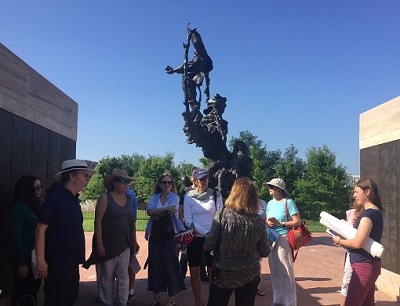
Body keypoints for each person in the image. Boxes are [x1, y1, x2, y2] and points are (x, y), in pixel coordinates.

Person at [35, 159, 94, 306]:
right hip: (57, 263)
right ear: (72, 176)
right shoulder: (55, 199)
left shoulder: (74, 200)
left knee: (70, 298)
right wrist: (41, 261)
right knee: (56, 300)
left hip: (72, 262)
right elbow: (40, 230)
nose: (88, 179)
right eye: (85, 175)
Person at [204, 177, 270, 306]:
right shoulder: (258, 221)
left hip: (224, 273)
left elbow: (210, 243)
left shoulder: (222, 214)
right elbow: (264, 251)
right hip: (250, 273)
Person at [84, 169, 138, 306]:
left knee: (123, 277)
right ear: (114, 182)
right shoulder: (105, 198)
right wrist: (99, 244)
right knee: (106, 277)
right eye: (122, 181)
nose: (125, 184)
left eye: (127, 182)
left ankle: (122, 302)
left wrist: (134, 240)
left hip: (124, 245)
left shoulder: (129, 199)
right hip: (107, 245)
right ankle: (107, 302)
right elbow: (98, 222)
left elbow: (131, 222)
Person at [332, 179, 383, 306]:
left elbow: (357, 243)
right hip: (368, 265)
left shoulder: (368, 214)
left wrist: (339, 240)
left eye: (356, 192)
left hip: (363, 266)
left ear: (367, 192)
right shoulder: (375, 212)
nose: (353, 195)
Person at [145, 173, 186, 306]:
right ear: (160, 184)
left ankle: (171, 297)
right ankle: (156, 296)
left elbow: (172, 210)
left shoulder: (175, 197)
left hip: (170, 234)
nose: (167, 185)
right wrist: (165, 209)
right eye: (164, 182)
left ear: (172, 185)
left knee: (170, 264)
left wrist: (158, 211)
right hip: (156, 234)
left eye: (169, 182)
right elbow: (149, 212)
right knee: (155, 264)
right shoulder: (154, 197)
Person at [184, 168, 223, 306]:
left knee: (212, 272)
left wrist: (210, 235)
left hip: (212, 237)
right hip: (196, 238)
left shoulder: (216, 194)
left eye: (205, 178)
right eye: (201, 179)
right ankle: (198, 303)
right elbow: (188, 220)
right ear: (195, 181)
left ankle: (212, 302)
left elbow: (219, 216)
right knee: (194, 271)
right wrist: (204, 233)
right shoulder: (188, 197)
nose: (204, 181)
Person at [264, 178, 301, 306]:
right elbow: (267, 219)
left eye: (271, 187)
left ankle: (289, 302)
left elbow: (297, 221)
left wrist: (281, 223)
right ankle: (277, 299)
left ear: (279, 189)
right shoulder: (269, 203)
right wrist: (268, 223)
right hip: (271, 238)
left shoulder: (288, 202)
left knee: (286, 270)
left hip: (283, 237)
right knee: (274, 270)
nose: (269, 188)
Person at [10, 175, 42, 306]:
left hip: (33, 255)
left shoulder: (33, 206)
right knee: (22, 291)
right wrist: (21, 263)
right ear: (27, 189)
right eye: (36, 188)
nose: (39, 190)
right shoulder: (19, 208)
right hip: (22, 257)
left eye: (41, 187)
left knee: (33, 288)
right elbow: (15, 237)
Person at [125, 187, 140, 303]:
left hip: (126, 236)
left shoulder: (130, 196)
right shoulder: (109, 195)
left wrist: (134, 241)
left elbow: (133, 220)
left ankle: (130, 291)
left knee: (128, 264)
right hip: (117, 235)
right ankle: (129, 291)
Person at [255, 182, 267, 297]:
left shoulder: (263, 203)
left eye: (256, 190)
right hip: (248, 236)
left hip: (260, 236)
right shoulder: (245, 203)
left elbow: (266, 219)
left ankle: (256, 286)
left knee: (258, 262)